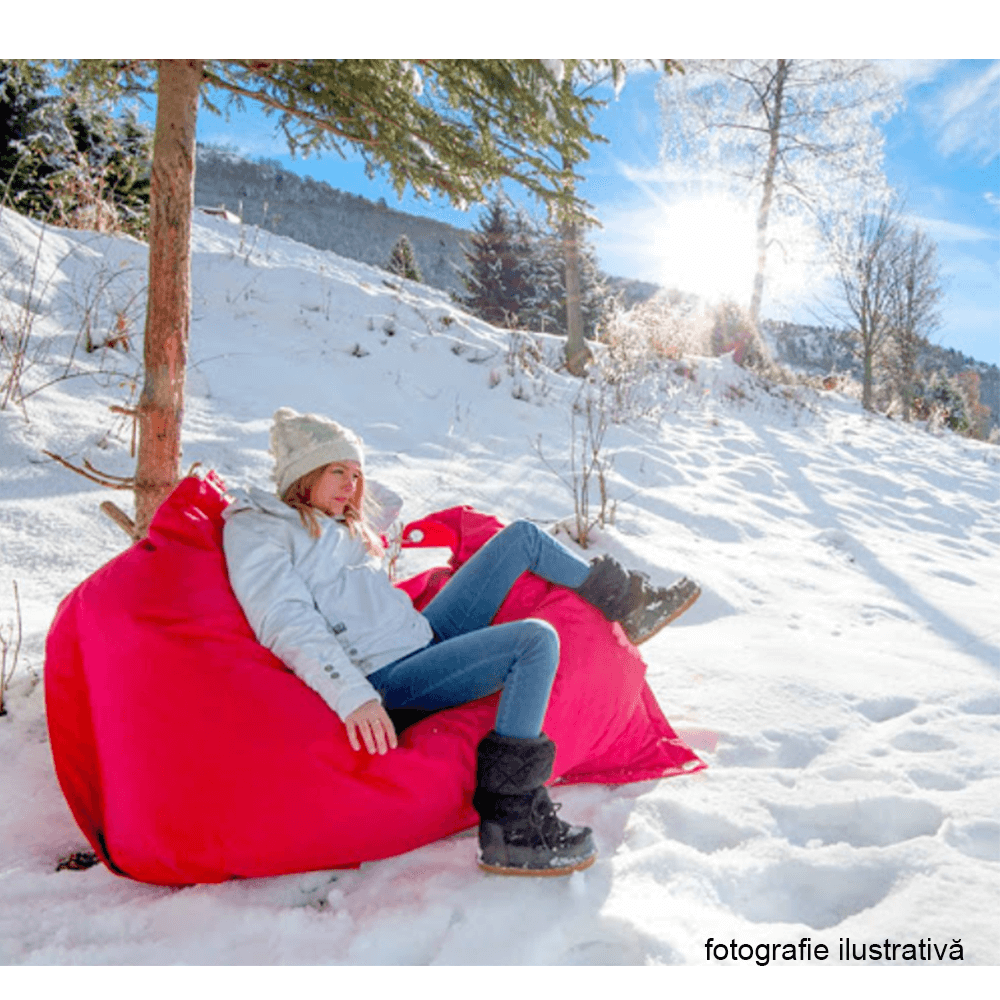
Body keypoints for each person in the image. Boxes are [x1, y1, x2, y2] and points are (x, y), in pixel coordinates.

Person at [222, 407, 700, 877]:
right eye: (337, 472)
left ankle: (627, 604)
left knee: (522, 539)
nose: (352, 485)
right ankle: (511, 823)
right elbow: (284, 620)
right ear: (303, 475)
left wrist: (347, 492)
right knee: (533, 641)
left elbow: (382, 508)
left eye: (356, 473)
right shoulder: (259, 527)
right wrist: (354, 698)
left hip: (420, 636)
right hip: (386, 678)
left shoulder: (337, 524)